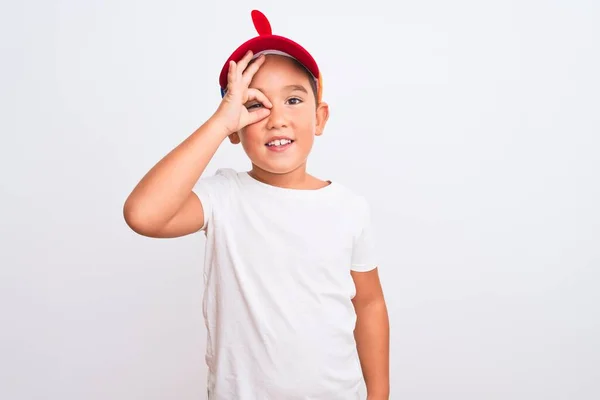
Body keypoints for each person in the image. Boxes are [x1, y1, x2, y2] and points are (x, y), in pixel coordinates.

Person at [123, 9, 389, 400]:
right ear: (235, 128)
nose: (276, 118)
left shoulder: (349, 207)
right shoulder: (223, 197)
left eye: (294, 100)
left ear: (320, 117)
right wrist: (219, 122)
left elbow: (369, 304)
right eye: (254, 105)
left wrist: (378, 395)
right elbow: (143, 215)